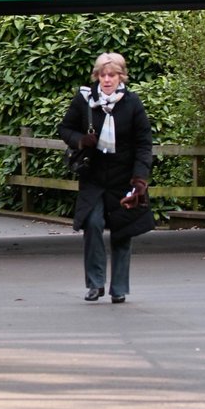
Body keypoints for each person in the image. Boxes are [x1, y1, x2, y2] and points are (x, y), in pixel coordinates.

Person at [58, 52, 154, 303]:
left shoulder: (133, 103)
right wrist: (80, 140)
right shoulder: (84, 101)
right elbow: (64, 128)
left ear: (121, 76)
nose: (107, 80)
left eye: (112, 75)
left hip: (124, 177)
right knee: (92, 224)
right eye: (103, 75)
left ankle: (119, 288)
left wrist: (140, 179)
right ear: (97, 76)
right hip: (94, 175)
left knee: (123, 231)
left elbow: (144, 143)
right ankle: (95, 283)